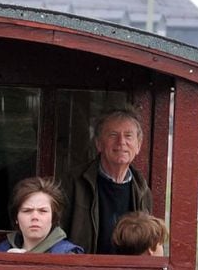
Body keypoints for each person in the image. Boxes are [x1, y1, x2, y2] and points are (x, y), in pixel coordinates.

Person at [65, 107, 152, 253]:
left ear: (138, 145)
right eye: (113, 135)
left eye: (128, 136)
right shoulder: (74, 183)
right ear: (99, 143)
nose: (121, 142)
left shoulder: (143, 190)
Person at [0, 176, 83, 255]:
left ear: (53, 217)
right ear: (16, 218)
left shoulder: (68, 255)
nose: (35, 217)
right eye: (27, 211)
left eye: (43, 211)